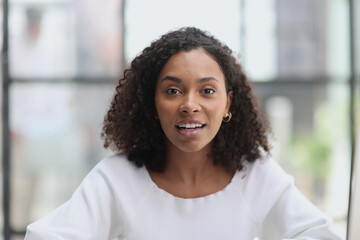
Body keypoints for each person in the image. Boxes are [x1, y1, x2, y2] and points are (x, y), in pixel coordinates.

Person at [25, 27, 342, 240]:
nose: (190, 105)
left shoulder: (256, 175)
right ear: (153, 102)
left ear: (228, 102)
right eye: (173, 90)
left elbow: (318, 233)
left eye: (207, 90)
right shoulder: (116, 179)